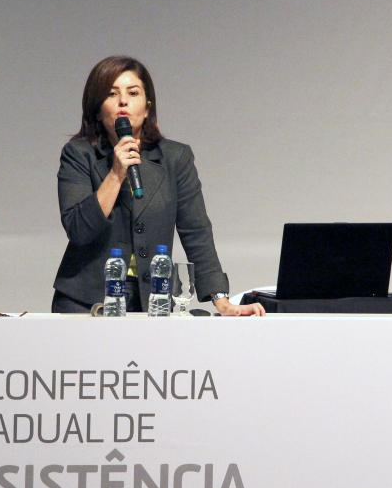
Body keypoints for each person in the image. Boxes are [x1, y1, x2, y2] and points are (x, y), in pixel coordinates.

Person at [53, 56, 265, 316]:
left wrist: (220, 299)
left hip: (154, 299)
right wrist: (116, 174)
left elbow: (195, 229)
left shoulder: (175, 157)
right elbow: (78, 229)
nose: (123, 101)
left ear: (147, 105)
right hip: (87, 301)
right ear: (97, 109)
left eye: (133, 93)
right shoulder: (79, 154)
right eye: (111, 94)